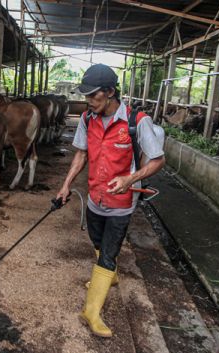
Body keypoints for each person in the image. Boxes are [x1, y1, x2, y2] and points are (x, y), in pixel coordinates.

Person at [56, 64, 165, 338]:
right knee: (96, 241)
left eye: (94, 96)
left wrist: (130, 179)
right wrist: (66, 186)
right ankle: (111, 275)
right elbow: (81, 155)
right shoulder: (86, 119)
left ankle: (91, 312)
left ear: (110, 92)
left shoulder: (135, 121)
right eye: (86, 96)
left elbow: (158, 160)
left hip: (121, 201)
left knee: (108, 252)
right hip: (95, 197)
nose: (89, 101)